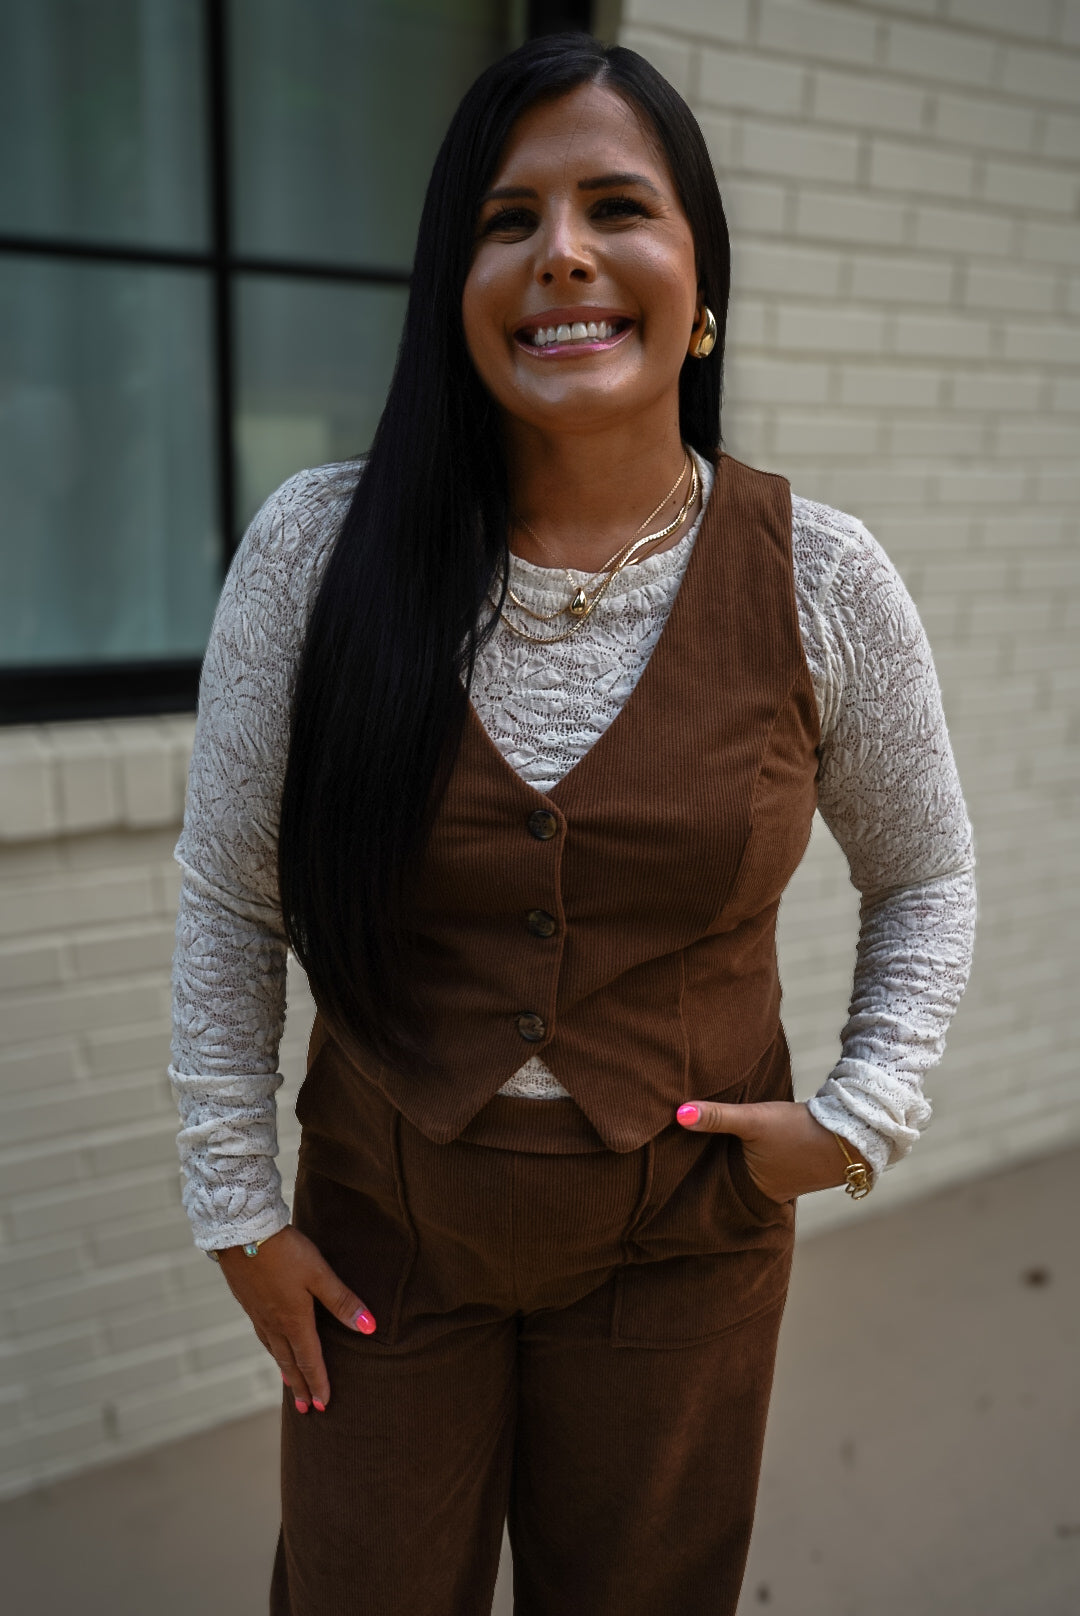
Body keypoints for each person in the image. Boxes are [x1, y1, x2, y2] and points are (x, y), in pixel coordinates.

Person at [169, 32, 975, 1616]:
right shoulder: (318, 553)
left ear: (701, 282)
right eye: (506, 218)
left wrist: (865, 1113)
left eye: (620, 207)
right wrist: (235, 1205)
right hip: (383, 1237)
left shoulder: (826, 577)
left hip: (683, 1241)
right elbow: (229, 897)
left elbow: (926, 870)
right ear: (452, 287)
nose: (565, 257)